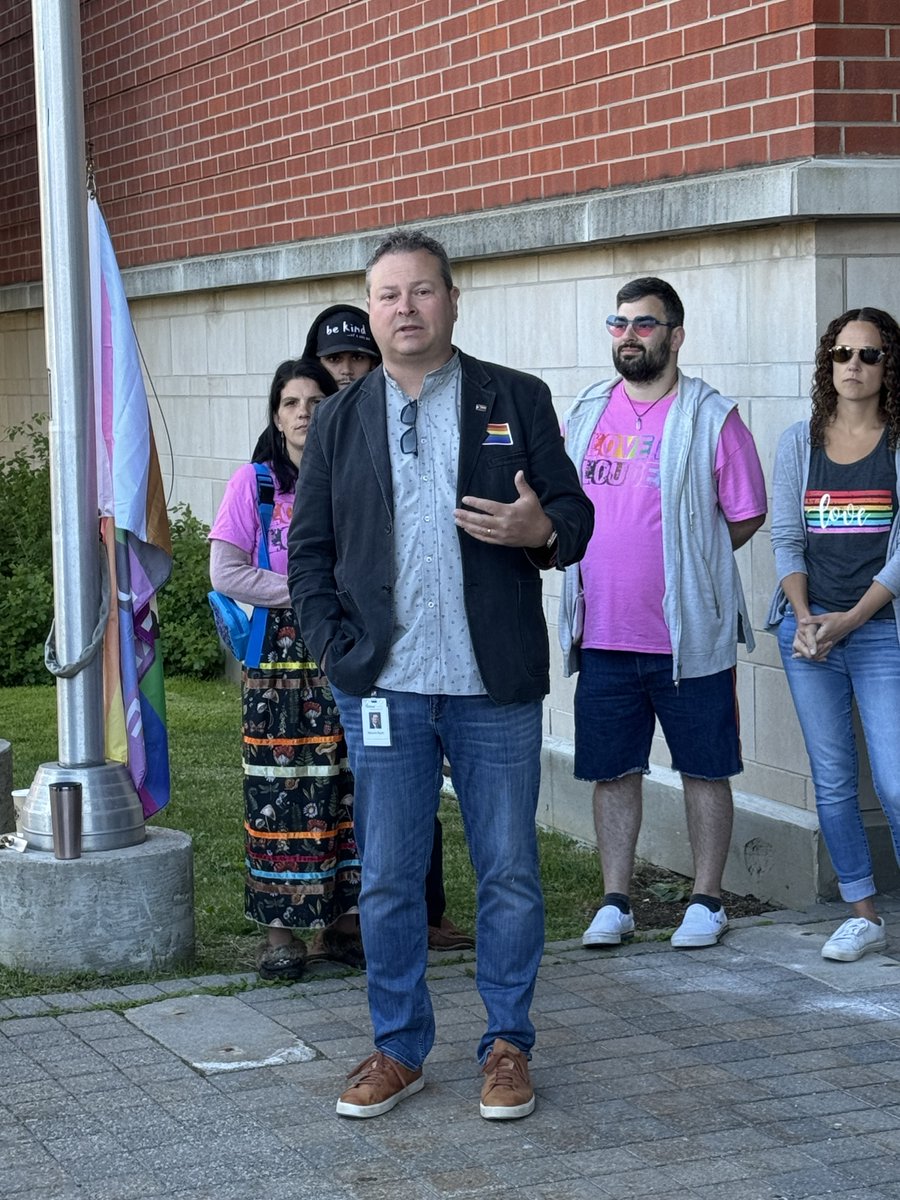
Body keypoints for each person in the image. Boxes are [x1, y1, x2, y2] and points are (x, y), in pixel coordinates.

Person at [288, 230, 594, 1121]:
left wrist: (539, 531)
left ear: (452, 302)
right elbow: (309, 552)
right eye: (389, 295)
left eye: (423, 292)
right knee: (387, 873)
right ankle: (397, 1047)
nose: (406, 309)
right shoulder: (341, 417)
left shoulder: (516, 398)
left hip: (492, 683)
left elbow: (574, 515)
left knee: (507, 868)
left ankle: (507, 1043)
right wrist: (334, 647)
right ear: (371, 309)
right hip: (381, 686)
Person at [559, 276, 767, 951]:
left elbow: (745, 515)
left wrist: (687, 563)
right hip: (605, 634)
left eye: (644, 325)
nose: (628, 336)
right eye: (618, 324)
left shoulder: (713, 417)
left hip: (689, 638)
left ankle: (706, 901)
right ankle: (615, 900)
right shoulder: (589, 411)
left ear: (676, 335)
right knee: (611, 770)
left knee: (706, 767)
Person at [302, 302, 474, 954]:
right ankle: (328, 923)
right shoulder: (318, 433)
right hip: (344, 657)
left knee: (405, 798)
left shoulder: (415, 419)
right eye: (334, 358)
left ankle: (425, 914)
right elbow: (305, 553)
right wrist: (328, 640)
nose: (346, 368)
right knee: (331, 795)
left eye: (356, 357)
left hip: (417, 659)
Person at [209, 359, 364, 979]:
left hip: (342, 654)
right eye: (291, 403)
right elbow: (225, 571)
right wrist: (306, 588)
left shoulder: (353, 475)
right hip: (276, 664)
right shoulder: (255, 484)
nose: (304, 412)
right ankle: (281, 936)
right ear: (276, 417)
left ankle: (342, 928)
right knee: (276, 790)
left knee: (343, 787)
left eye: (315, 401)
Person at [768, 306, 900, 962]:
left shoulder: (898, 444)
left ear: (888, 366)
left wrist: (850, 620)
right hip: (809, 634)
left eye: (868, 355)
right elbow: (788, 540)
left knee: (897, 780)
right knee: (834, 779)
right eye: (842, 354)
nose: (853, 367)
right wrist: (803, 616)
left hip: (879, 633)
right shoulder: (799, 441)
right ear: (829, 363)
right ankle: (864, 914)